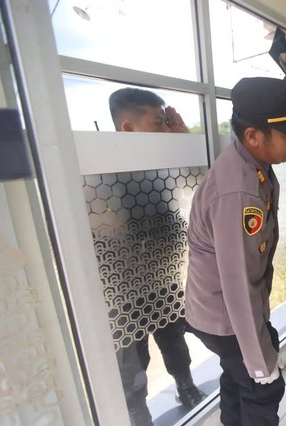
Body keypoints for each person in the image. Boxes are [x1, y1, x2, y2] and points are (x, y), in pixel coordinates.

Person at [185, 77, 286, 425]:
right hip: (225, 315)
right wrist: (261, 365)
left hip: (218, 310)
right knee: (263, 388)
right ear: (253, 136)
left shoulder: (250, 163)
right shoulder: (239, 193)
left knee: (235, 378)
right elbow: (238, 287)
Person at [105, 88, 204, 425]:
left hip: (162, 275)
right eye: (158, 123)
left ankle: (186, 385)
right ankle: (136, 411)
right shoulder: (99, 169)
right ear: (128, 129)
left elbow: (204, 185)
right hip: (121, 285)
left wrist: (182, 142)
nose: (164, 130)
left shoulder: (160, 164)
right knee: (132, 356)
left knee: (174, 337)